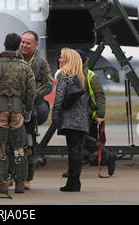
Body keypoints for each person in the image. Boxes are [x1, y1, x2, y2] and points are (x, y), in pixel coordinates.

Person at [0, 33, 36, 194]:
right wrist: (29, 110)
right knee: (19, 147)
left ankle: (2, 182)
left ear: (4, 44)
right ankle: (20, 182)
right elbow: (32, 91)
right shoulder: (25, 66)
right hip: (18, 110)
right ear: (18, 46)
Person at [19, 30, 53, 189]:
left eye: (28, 43)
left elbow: (48, 84)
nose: (24, 45)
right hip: (15, 107)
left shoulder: (41, 62)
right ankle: (12, 177)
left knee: (29, 146)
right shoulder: (13, 58)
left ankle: (26, 179)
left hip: (32, 108)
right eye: (22, 42)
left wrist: (32, 95)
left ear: (36, 45)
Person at [52, 47, 89, 192]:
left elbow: (59, 96)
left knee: (73, 151)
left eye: (62, 58)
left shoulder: (64, 74)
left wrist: (55, 114)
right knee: (78, 151)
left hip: (70, 120)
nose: (59, 60)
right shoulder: (80, 76)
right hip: (82, 120)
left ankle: (72, 182)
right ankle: (76, 181)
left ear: (68, 61)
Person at [76, 49, 117, 176]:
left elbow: (100, 96)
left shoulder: (90, 76)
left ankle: (108, 155)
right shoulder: (72, 75)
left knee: (80, 140)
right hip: (75, 114)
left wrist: (100, 115)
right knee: (76, 142)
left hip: (85, 115)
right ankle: (74, 170)